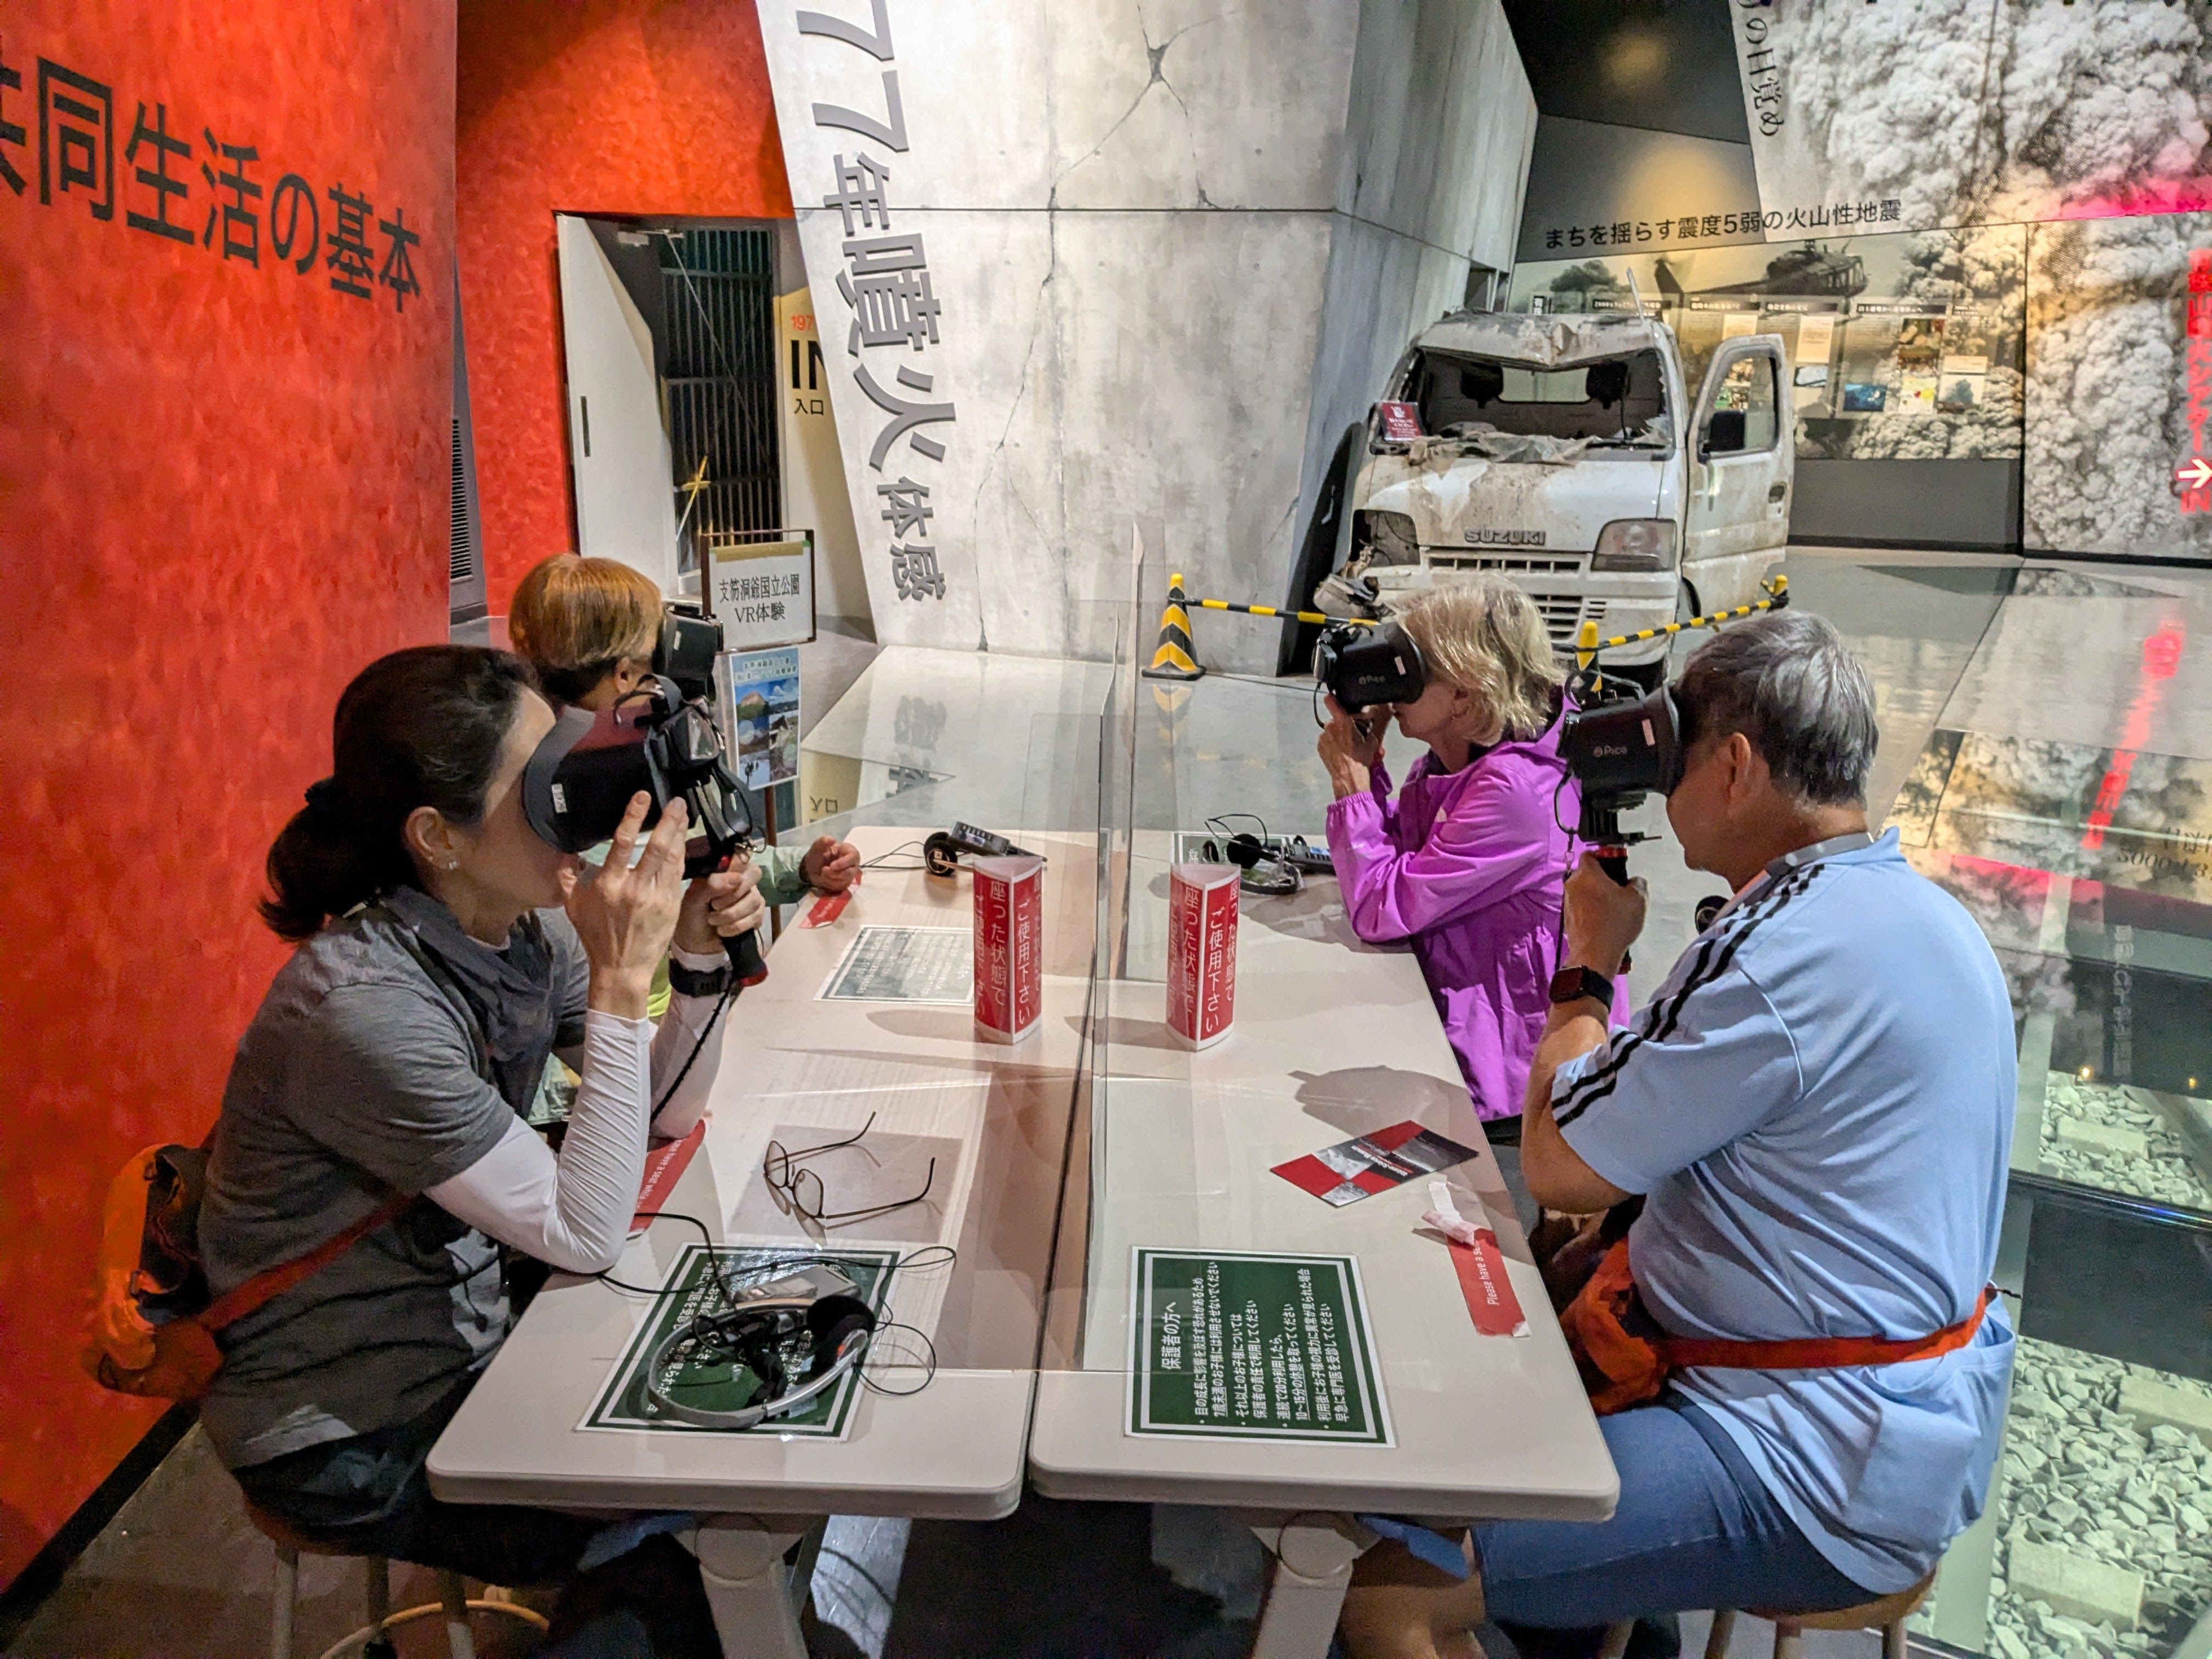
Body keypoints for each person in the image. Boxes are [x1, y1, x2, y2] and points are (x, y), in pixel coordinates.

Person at [1336, 612, 2017, 1659]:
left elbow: (1563, 1162)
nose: (1664, 784)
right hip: (1899, 1416)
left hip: (1800, 1456)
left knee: (1390, 1591)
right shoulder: (1917, 915)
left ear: (1735, 766)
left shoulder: (1779, 958)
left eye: (1678, 753)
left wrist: (1586, 966)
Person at [199, 645, 766, 1657]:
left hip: (479, 1339)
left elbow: (665, 1114)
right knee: (704, 1520)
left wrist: (688, 954)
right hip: (350, 1428)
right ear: (437, 837)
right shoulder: (364, 1010)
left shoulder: (521, 931)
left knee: (730, 1449)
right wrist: (615, 978)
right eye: (539, 778)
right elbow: (586, 1229)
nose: (573, 794)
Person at [1318, 577, 1629, 1131]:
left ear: (1464, 692)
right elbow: (1413, 863)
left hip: (1512, 1080)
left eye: (1409, 673)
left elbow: (1382, 910)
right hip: (1465, 1031)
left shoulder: (1513, 791)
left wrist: (1353, 786)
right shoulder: (1456, 762)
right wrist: (1371, 769)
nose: (1392, 688)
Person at [508, 552, 859, 905]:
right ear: (625, 675)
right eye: (656, 654)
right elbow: (657, 885)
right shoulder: (598, 784)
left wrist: (798, 869)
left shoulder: (516, 763)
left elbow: (706, 854)